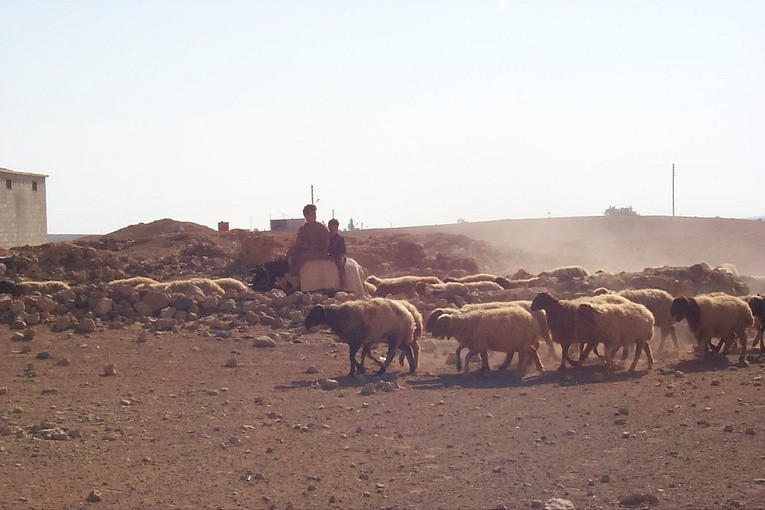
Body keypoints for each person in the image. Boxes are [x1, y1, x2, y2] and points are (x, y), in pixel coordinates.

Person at [286, 204, 329, 276]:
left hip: (320, 252)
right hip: (308, 250)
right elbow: (299, 244)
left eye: (315, 214)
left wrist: (315, 246)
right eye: (312, 214)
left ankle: (294, 275)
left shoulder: (320, 227)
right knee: (291, 254)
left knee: (303, 257)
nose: (314, 216)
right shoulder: (303, 229)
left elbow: (326, 242)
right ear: (306, 215)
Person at [327, 218, 347, 285]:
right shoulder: (326, 237)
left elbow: (343, 250)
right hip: (328, 254)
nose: (336, 229)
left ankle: (343, 281)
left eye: (336, 227)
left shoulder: (339, 238)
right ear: (330, 227)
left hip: (338, 255)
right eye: (334, 227)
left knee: (340, 264)